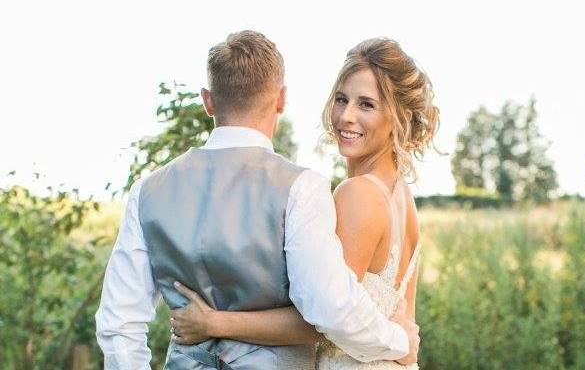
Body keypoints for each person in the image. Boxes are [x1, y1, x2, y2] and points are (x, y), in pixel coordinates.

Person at [95, 31, 420, 369]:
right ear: (280, 99)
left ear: (208, 101)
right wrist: (399, 342)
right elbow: (332, 309)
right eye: (342, 99)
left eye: (365, 103)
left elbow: (119, 322)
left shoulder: (147, 191)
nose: (346, 115)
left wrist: (211, 324)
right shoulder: (304, 188)